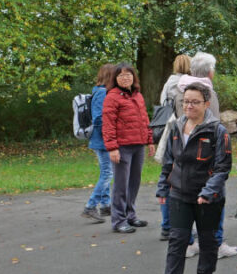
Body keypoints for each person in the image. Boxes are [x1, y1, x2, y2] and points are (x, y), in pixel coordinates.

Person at [155, 83, 231, 274]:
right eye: (185, 101)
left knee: (208, 241)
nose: (188, 105)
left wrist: (208, 191)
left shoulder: (217, 131)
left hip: (209, 197)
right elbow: (169, 161)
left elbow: (222, 168)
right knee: (177, 241)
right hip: (180, 194)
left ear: (206, 104)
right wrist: (162, 187)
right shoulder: (176, 127)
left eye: (194, 102)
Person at [177, 52, 237, 259]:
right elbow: (215, 124)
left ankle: (192, 242)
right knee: (213, 198)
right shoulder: (207, 93)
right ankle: (216, 244)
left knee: (189, 200)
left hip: (185, 153)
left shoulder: (180, 88)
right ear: (210, 72)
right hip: (206, 153)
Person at [101, 63, 155, 234]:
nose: (125, 78)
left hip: (138, 145)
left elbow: (145, 119)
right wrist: (112, 148)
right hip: (122, 147)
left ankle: (131, 215)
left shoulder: (138, 95)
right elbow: (108, 124)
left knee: (134, 183)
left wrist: (150, 140)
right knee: (121, 185)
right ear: (115, 79)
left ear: (134, 76)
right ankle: (118, 220)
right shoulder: (112, 97)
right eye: (121, 75)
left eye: (128, 74)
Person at [157, 54, 191, 241]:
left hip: (167, 132)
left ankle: (166, 225)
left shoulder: (168, 83)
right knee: (175, 180)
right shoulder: (184, 84)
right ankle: (172, 225)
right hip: (178, 133)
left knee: (167, 177)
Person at [81, 63, 116, 223]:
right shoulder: (102, 93)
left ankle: (106, 205)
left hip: (100, 139)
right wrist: (109, 136)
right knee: (108, 173)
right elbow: (99, 118)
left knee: (106, 171)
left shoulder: (100, 91)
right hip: (101, 140)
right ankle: (90, 206)